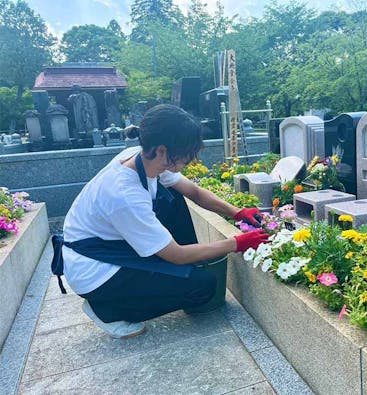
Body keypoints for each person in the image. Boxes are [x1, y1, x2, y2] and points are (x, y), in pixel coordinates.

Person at [60, 104, 268, 339]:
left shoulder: (143, 159)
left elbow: (194, 192)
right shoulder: (124, 195)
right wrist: (237, 243)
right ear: (162, 151)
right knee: (203, 286)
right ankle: (106, 309)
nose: (191, 160)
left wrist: (237, 212)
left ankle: (178, 274)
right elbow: (176, 255)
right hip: (96, 270)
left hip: (111, 245)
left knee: (174, 196)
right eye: (187, 155)